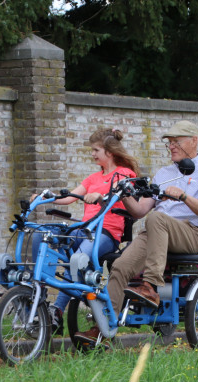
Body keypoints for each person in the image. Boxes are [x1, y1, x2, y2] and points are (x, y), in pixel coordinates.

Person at [74, 120, 198, 344]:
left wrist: (183, 196)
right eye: (169, 143)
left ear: (194, 141)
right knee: (119, 267)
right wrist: (125, 194)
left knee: (157, 219)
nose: (172, 146)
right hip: (156, 231)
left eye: (177, 142)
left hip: (190, 233)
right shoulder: (163, 173)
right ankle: (103, 329)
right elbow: (139, 212)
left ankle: (151, 286)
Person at [34, 129, 139, 334]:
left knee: (78, 258)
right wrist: (45, 197)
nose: (92, 154)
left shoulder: (125, 174)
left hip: (106, 233)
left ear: (109, 152)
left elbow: (117, 190)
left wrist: (100, 195)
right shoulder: (92, 178)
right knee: (43, 237)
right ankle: (41, 297)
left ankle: (58, 310)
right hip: (84, 231)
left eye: (96, 150)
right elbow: (69, 198)